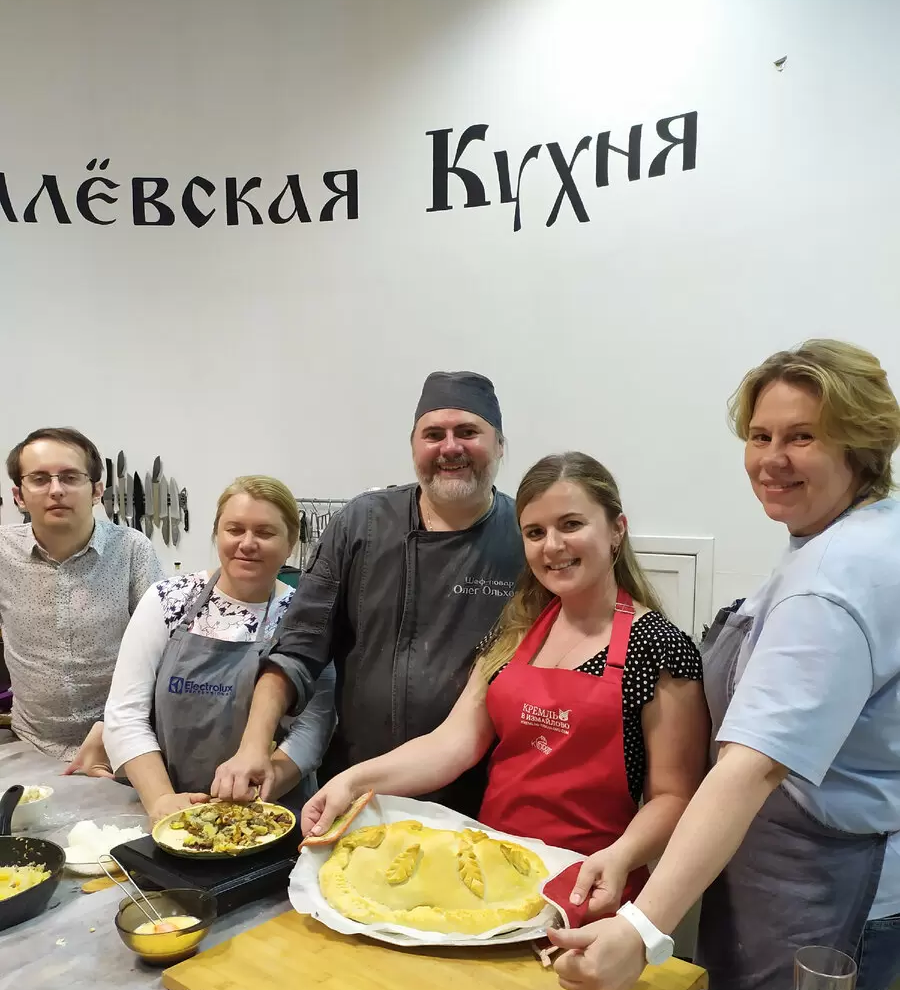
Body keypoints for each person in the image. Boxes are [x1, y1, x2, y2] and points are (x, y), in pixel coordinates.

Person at [549, 340, 900, 990]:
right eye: (760, 436)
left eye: (802, 437)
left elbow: (751, 768)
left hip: (823, 892)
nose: (772, 459)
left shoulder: (830, 581)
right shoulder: (850, 534)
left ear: (861, 446)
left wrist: (641, 931)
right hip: (792, 869)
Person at [301, 453, 709, 912]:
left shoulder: (659, 647)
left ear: (617, 529)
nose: (552, 546)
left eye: (571, 525)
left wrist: (621, 856)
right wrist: (353, 782)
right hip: (492, 873)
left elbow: (674, 796)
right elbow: (453, 745)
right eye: (535, 532)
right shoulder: (516, 632)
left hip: (590, 886)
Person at [211, 371, 524, 819]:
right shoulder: (363, 523)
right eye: (433, 434)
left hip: (482, 795)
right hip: (357, 787)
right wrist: (253, 746)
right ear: (413, 446)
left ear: (500, 445)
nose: (450, 447)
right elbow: (298, 648)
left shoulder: (525, 537)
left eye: (468, 432)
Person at [102, 476, 336, 824]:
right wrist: (161, 799)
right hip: (171, 808)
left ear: (291, 543)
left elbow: (314, 727)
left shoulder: (305, 618)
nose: (247, 543)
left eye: (265, 532)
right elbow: (125, 714)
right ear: (216, 534)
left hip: (270, 812)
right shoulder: (167, 600)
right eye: (234, 529)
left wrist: (260, 787)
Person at [0, 427, 162, 763]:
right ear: (19, 495)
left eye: (70, 477)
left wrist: (120, 732)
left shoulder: (132, 550)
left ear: (96, 491)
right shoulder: (3, 552)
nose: (56, 490)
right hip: (30, 744)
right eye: (39, 479)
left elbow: (164, 649)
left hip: (121, 744)